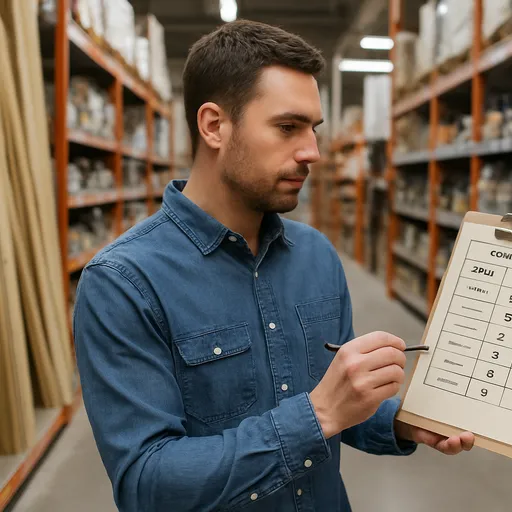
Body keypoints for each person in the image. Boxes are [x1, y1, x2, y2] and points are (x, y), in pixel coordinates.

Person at [74, 20, 474, 512]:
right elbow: (147, 485)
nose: (313, 152)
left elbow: (335, 401)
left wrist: (399, 419)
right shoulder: (123, 283)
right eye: (288, 127)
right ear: (214, 126)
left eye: (314, 129)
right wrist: (317, 415)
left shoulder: (316, 257)